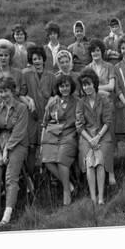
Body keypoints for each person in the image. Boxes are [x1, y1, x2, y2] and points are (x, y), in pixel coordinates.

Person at [0, 76, 29, 228]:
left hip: (17, 144)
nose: (3, 94)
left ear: (13, 91)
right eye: (0, 91)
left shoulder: (22, 108)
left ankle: (6, 216)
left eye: (6, 91)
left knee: (11, 178)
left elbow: (19, 132)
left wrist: (7, 149)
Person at [76, 69, 113, 205]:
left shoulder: (104, 100)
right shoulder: (80, 102)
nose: (87, 87)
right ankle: (92, 197)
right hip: (86, 137)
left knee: (99, 161)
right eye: (84, 85)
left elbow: (107, 121)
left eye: (89, 84)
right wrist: (90, 139)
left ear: (94, 84)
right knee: (90, 163)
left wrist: (97, 137)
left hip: (102, 134)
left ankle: (101, 198)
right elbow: (79, 126)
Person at [40, 74, 79, 205]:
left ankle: (66, 192)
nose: (64, 89)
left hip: (70, 134)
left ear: (71, 86)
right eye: (62, 86)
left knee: (62, 159)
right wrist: (42, 144)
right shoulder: (52, 102)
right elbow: (45, 123)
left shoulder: (77, 102)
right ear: (58, 88)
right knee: (46, 159)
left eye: (67, 85)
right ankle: (69, 185)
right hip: (53, 134)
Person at [21, 46, 57, 175]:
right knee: (31, 147)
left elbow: (56, 94)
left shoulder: (51, 76)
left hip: (48, 116)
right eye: (34, 59)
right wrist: (29, 101)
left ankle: (49, 176)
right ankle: (31, 177)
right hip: (32, 116)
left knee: (47, 147)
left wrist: (51, 103)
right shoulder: (25, 74)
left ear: (43, 59)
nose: (37, 61)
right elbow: (21, 93)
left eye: (39, 58)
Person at [85, 38, 117, 185]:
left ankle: (110, 173)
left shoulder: (109, 66)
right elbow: (85, 90)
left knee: (108, 139)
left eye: (98, 50)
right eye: (93, 51)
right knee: (96, 138)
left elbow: (111, 87)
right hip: (92, 107)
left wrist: (95, 89)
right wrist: (99, 91)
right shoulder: (87, 69)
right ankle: (97, 169)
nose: (95, 53)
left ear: (102, 52)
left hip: (107, 106)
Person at [0, 39, 24, 108]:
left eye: (6, 55)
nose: (3, 58)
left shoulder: (18, 73)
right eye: (1, 55)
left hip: (15, 109)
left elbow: (23, 92)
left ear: (10, 57)